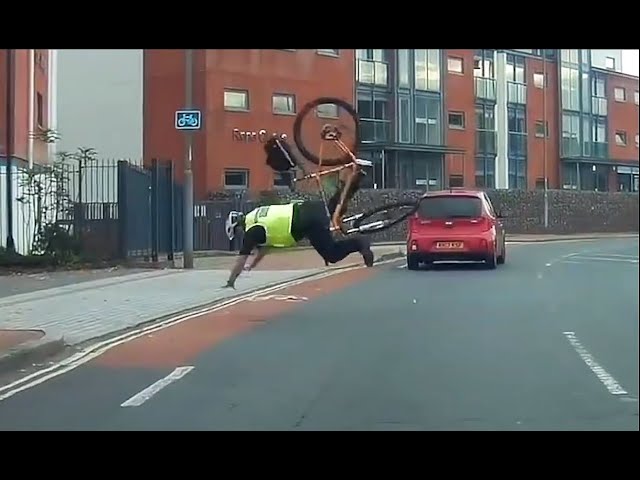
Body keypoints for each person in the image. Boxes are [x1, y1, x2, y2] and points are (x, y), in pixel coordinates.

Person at [223, 138, 373, 289]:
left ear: (238, 226)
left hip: (306, 224)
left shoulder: (251, 232)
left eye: (238, 231)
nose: (241, 234)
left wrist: (231, 282)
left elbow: (240, 259)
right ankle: (356, 178)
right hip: (307, 209)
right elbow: (265, 247)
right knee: (334, 208)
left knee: (331, 254)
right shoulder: (256, 216)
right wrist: (253, 265)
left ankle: (359, 243)